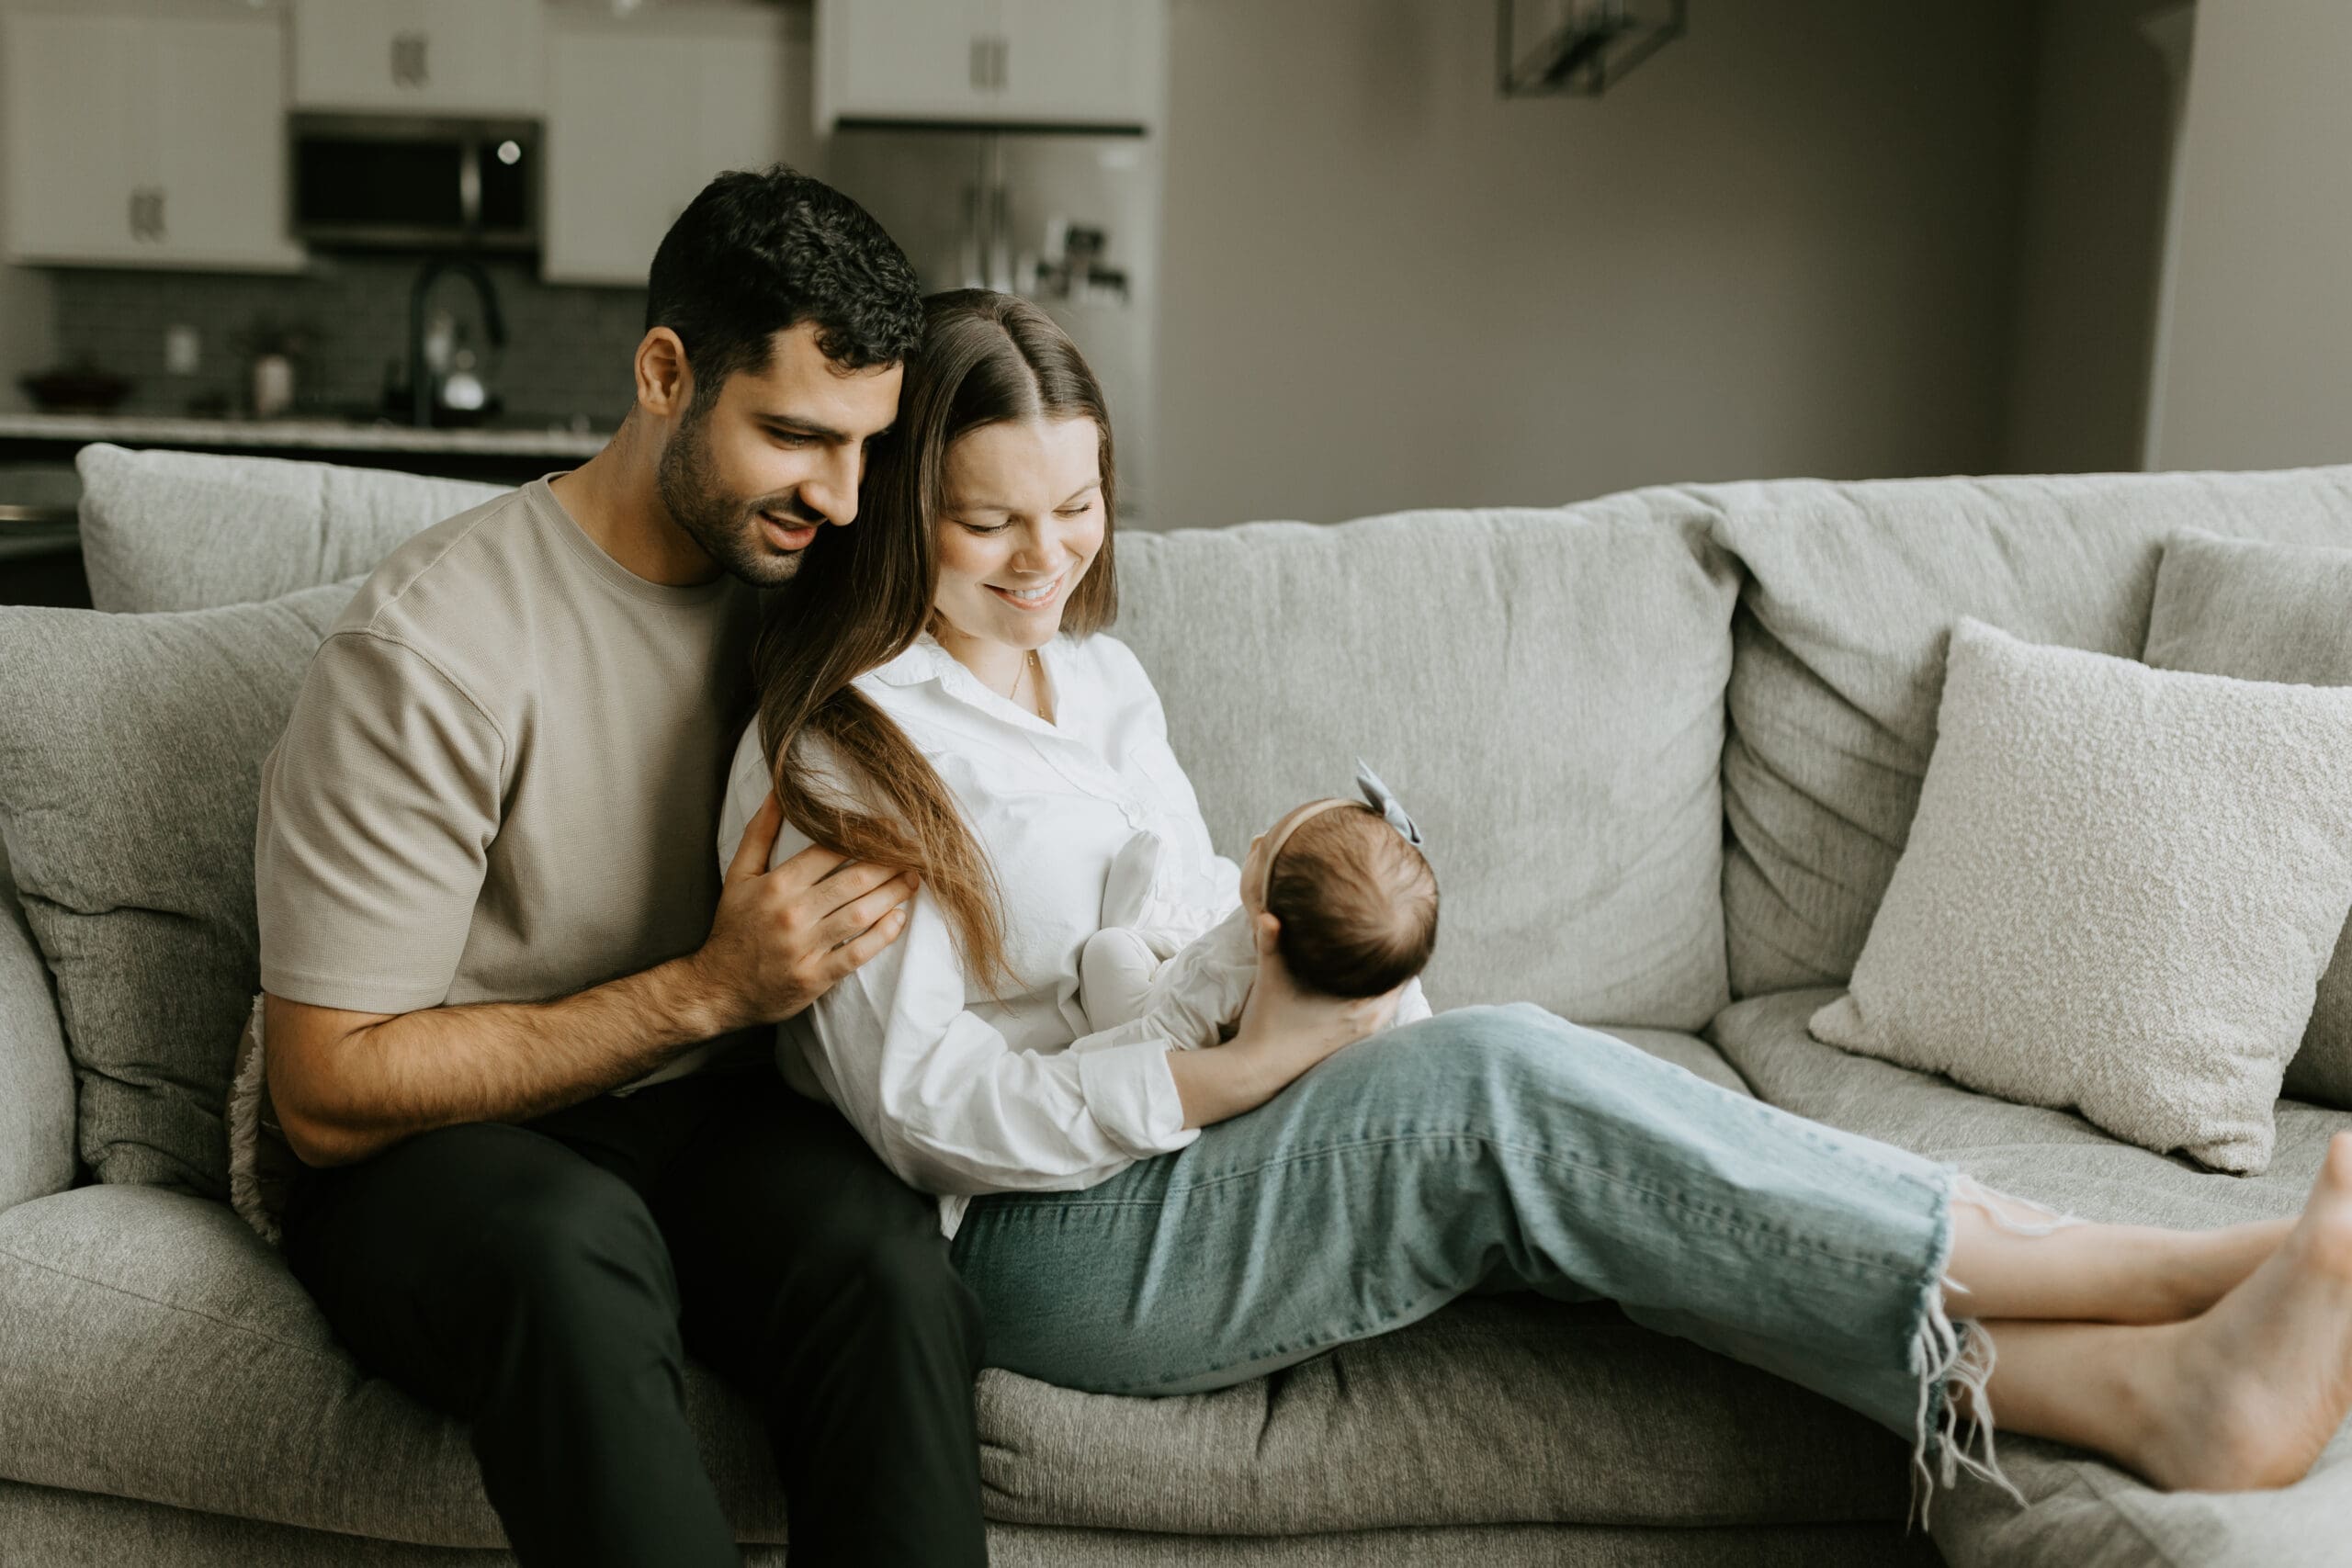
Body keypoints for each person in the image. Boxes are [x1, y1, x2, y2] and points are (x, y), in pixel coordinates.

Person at [718, 287, 2352, 1526]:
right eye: (987, 524)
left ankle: (2142, 1391)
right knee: (1502, 1085)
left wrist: (1283, 958)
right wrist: (1239, 1070)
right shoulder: (850, 748)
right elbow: (931, 1113)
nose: (1043, 564)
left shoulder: (1099, 673)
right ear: (891, 506)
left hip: (1188, 1130)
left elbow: (1168, 930)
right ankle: (2147, 1269)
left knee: (1583, 1161)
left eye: (1075, 514)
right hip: (1029, 1241)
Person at [243, 169, 988, 1568]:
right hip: (435, 1156)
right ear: (664, 374)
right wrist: (708, 990)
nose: (838, 494)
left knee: (889, 1267)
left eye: (866, 448)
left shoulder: (826, 599)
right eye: (793, 435)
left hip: (697, 1128)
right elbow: (325, 1088)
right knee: (571, 1252)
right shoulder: (436, 645)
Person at [1076, 768, 1437, 1041]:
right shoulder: (1388, 973)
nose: (1257, 839)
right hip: (1210, 944)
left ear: (1267, 928)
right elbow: (1420, 1033)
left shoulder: (1223, 973)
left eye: (1265, 849)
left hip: (1163, 1001)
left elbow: (1164, 1037)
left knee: (1106, 949)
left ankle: (1129, 927)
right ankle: (1153, 920)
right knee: (1211, 920)